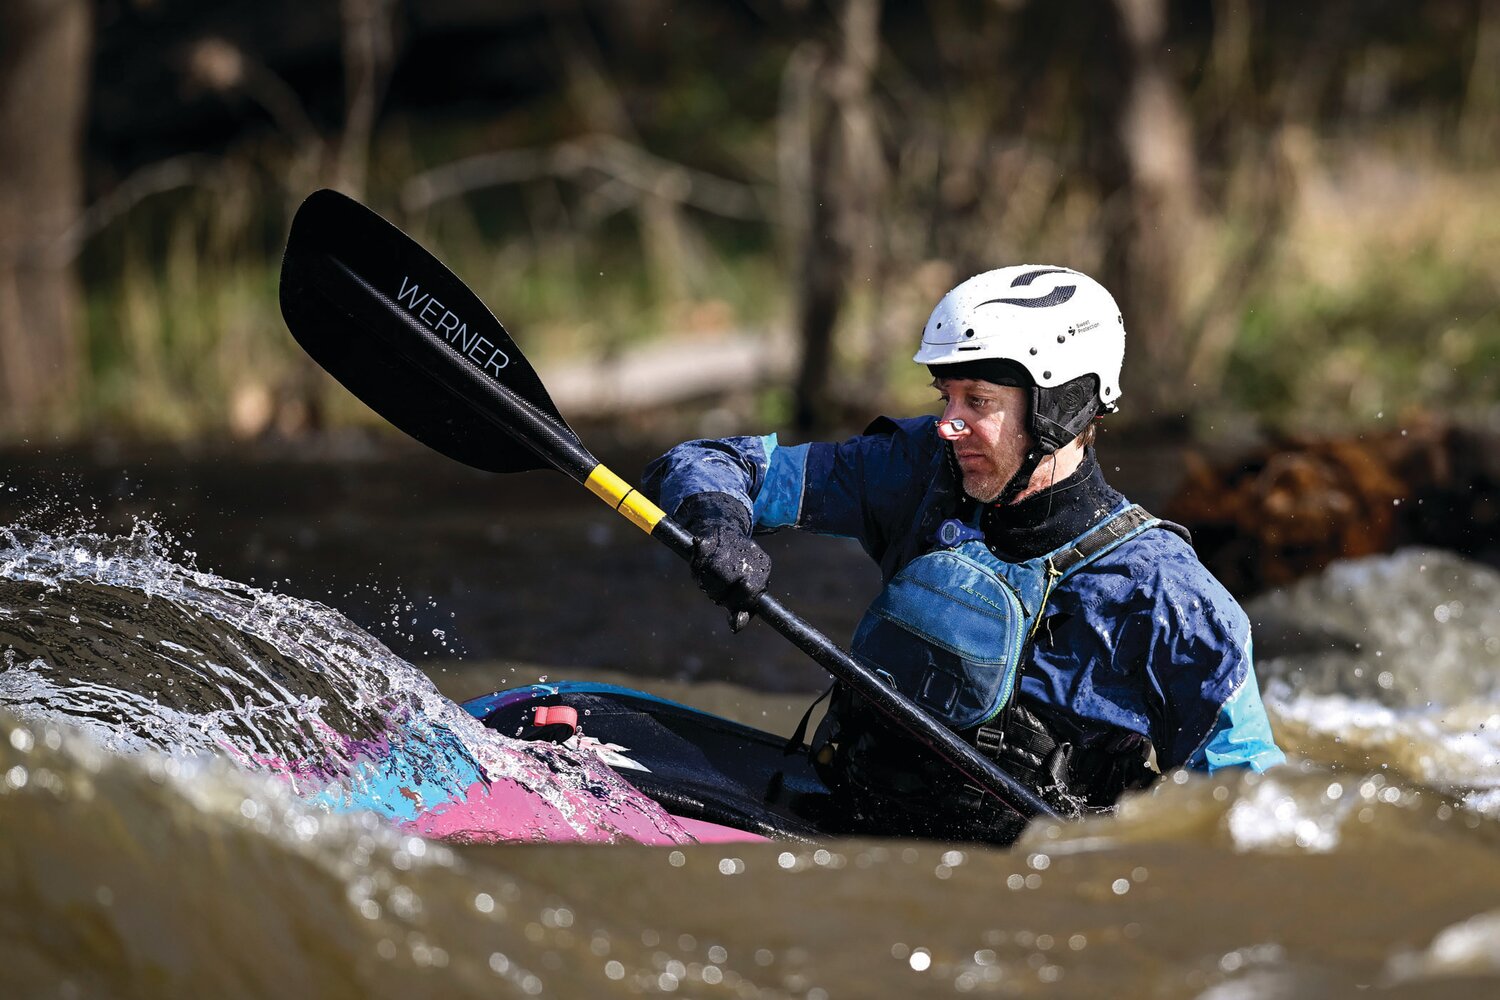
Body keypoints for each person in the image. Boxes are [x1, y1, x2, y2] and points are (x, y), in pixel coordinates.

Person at [643, 265, 1284, 841]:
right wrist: (720, 522)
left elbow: (1250, 813)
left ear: (1060, 407)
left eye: (977, 402)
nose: (949, 424)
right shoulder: (921, 471)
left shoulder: (1173, 599)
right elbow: (716, 462)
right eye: (944, 396)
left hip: (1017, 883)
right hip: (850, 806)